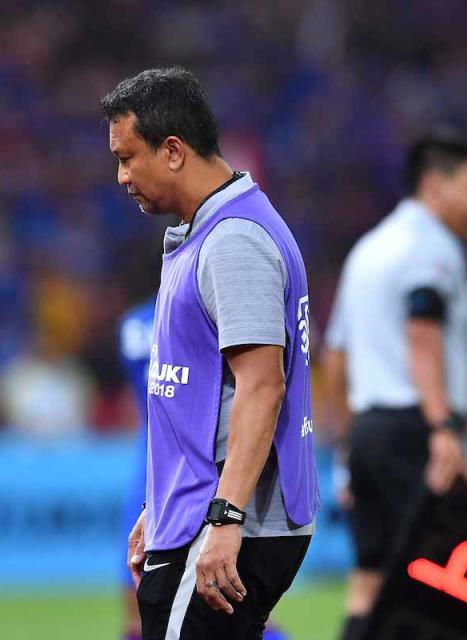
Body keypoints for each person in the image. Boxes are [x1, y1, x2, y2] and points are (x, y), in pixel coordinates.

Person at [100, 67, 319, 640]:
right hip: (199, 511)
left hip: (225, 522)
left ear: (173, 150)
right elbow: (201, 394)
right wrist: (165, 506)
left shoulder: (234, 241)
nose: (121, 176)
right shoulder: (211, 232)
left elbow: (262, 385)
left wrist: (225, 518)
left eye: (128, 157)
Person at [323, 130, 467, 640]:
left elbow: (336, 357)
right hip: (416, 429)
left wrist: (349, 441)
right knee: (442, 589)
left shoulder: (368, 249)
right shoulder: (431, 248)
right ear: (435, 185)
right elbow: (423, 333)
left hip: (370, 429)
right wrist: (444, 427)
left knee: (370, 578)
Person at [116, 297, 155, 640]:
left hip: (149, 458)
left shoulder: (133, 324)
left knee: (137, 610)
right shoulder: (209, 311)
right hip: (202, 458)